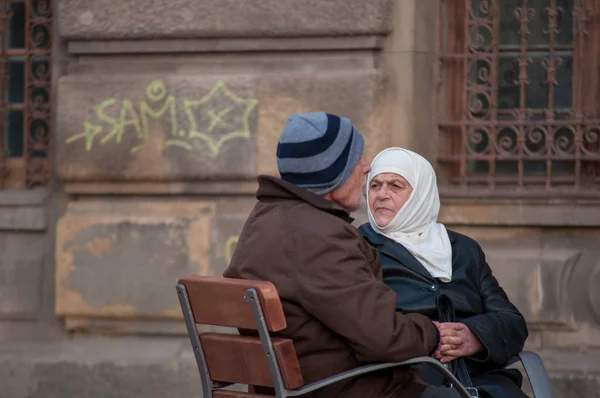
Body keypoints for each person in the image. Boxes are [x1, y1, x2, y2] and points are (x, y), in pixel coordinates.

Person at [224, 112, 464, 398]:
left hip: (300, 385)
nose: (367, 167)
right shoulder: (319, 235)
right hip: (345, 388)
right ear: (331, 172)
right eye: (356, 159)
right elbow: (386, 339)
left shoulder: (265, 219)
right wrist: (433, 333)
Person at [359, 148, 529, 398]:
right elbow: (364, 323)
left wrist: (474, 336)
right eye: (375, 185)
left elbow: (512, 322)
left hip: (478, 379)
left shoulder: (463, 249)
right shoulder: (359, 247)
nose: (382, 194)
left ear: (421, 194)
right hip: (407, 382)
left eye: (395, 185)